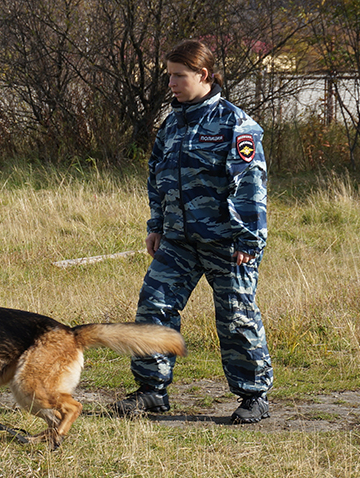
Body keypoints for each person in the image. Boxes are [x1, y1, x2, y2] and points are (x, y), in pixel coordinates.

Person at [112, 39, 273, 424]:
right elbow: (158, 178)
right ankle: (151, 391)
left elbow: (250, 187)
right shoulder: (172, 124)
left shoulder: (236, 124)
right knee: (154, 308)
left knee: (235, 316)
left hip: (227, 241)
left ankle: (254, 396)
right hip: (178, 241)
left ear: (203, 75)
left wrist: (248, 240)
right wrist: (156, 226)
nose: (170, 83)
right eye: (168, 75)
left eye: (178, 76)